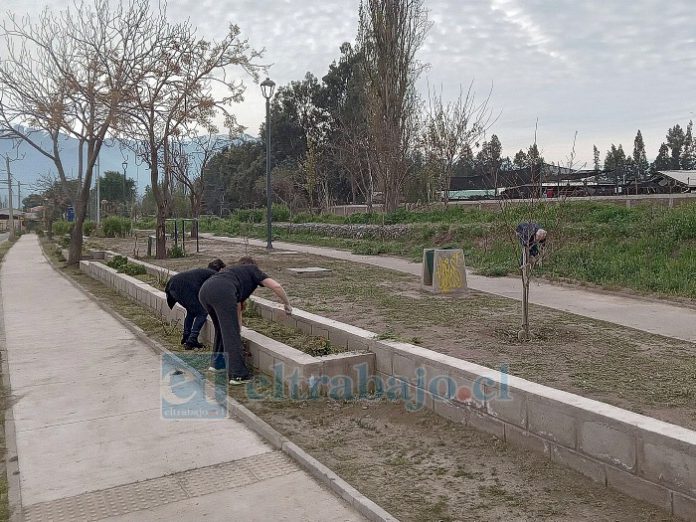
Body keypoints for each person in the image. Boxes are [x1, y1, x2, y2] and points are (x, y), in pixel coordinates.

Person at [198, 256, 292, 385]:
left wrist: (238, 329)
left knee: (222, 329)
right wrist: (287, 304)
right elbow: (276, 286)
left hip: (205, 291)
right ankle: (238, 375)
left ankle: (218, 364)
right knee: (230, 334)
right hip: (222, 292)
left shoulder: (232, 273)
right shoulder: (252, 269)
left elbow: (237, 308)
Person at [164, 259, 226, 349]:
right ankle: (192, 340)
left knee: (192, 311)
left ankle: (186, 336)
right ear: (220, 269)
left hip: (173, 285)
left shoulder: (204, 273)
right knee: (202, 312)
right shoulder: (213, 275)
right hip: (181, 287)